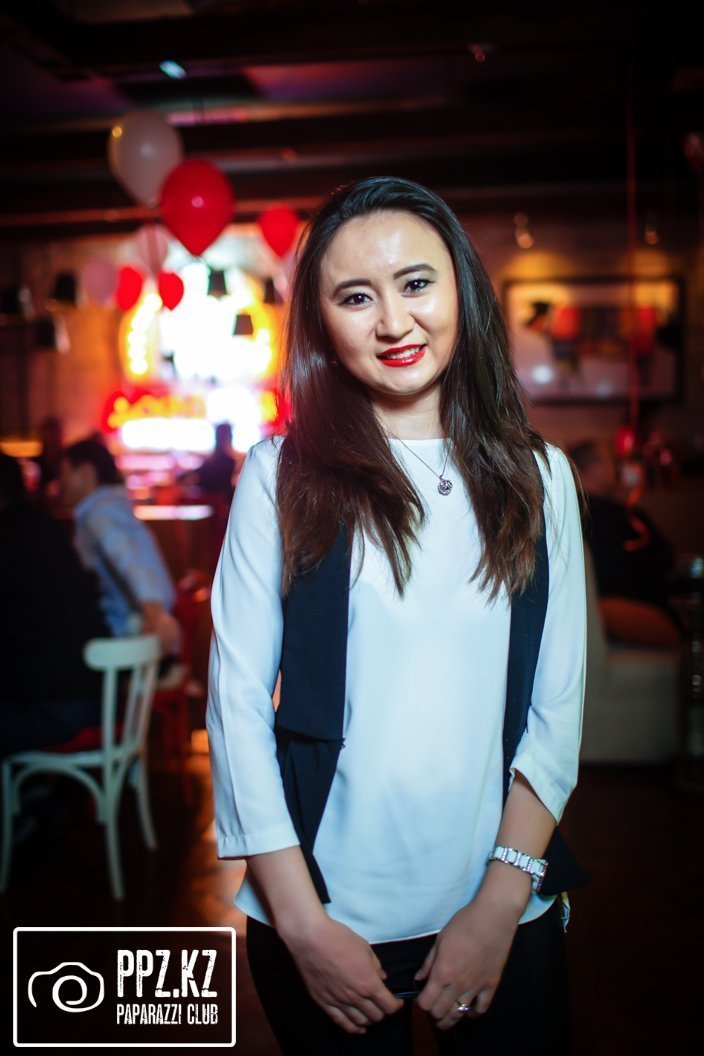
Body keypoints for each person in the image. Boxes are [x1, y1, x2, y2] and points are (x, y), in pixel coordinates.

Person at [206, 176, 587, 1055]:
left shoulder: (540, 476)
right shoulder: (280, 476)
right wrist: (301, 925)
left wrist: (500, 903)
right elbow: (234, 707)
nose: (393, 321)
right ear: (322, 323)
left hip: (501, 901)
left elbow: (557, 710)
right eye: (355, 296)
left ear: (460, 288)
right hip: (326, 910)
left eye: (416, 283)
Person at [0, 451, 108, 756]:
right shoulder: (46, 527)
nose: (59, 484)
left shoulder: (100, 515)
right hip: (90, 696)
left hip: (61, 709)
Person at [58, 438, 180, 657]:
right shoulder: (111, 506)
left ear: (86, 472)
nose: (59, 482)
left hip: (122, 640)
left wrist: (153, 608)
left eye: (63, 473)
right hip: (130, 636)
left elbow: (128, 556)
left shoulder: (100, 512)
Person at [569, 438, 681, 646]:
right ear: (594, 468)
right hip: (623, 611)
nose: (619, 468)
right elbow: (664, 562)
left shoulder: (566, 512)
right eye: (613, 460)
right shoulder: (624, 518)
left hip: (587, 616)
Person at [179, 421, 241, 503]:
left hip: (210, 505)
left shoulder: (211, 462)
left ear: (216, 437)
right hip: (224, 506)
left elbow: (196, 475)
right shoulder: (230, 462)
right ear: (229, 437)